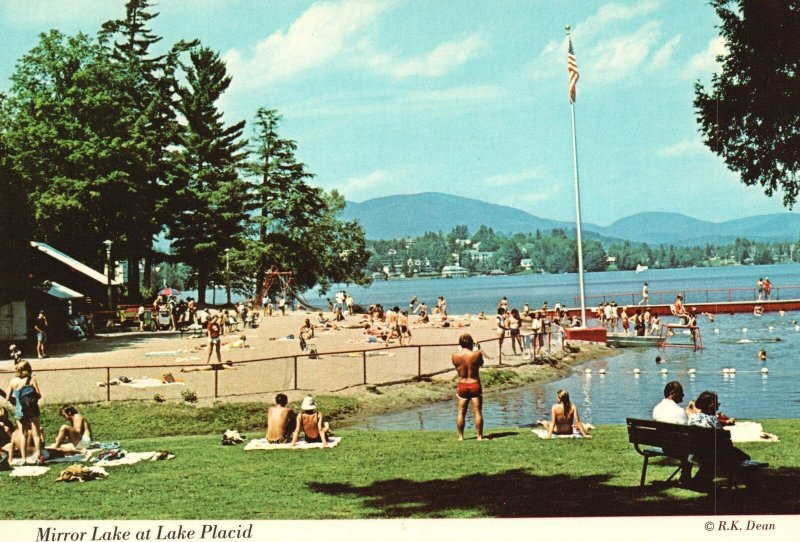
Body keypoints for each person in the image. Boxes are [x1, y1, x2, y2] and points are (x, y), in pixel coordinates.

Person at [687, 390, 750, 489]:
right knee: (744, 457)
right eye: (717, 403)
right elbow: (725, 443)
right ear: (711, 405)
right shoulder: (714, 420)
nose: (718, 406)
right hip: (712, 454)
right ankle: (749, 482)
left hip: (696, 453)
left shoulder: (692, 418)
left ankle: (701, 479)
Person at [6, 360, 44, 464]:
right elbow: (39, 395)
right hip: (32, 408)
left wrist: (16, 403)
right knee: (36, 433)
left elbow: (8, 397)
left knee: (23, 434)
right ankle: (39, 457)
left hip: (19, 409)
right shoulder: (32, 380)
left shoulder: (13, 381)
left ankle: (23, 459)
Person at [451, 333, 484, 441]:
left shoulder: (455, 355)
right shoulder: (477, 354)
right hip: (474, 383)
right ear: (471, 343)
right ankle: (479, 436)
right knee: (477, 411)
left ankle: (460, 437)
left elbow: (456, 364)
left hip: (462, 384)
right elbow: (481, 363)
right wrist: (477, 349)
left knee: (461, 412)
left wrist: (461, 351)